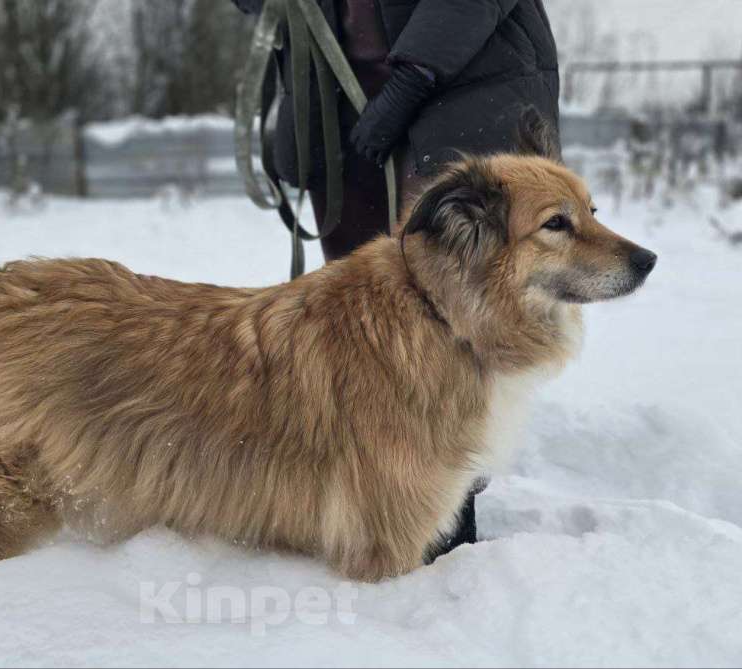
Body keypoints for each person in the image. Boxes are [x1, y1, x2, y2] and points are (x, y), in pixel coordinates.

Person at [232, 0, 560, 559]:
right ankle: (371, 492)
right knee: (361, 317)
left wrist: (415, 76)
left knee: (459, 303)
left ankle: (449, 517)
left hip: (461, 81)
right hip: (335, 84)